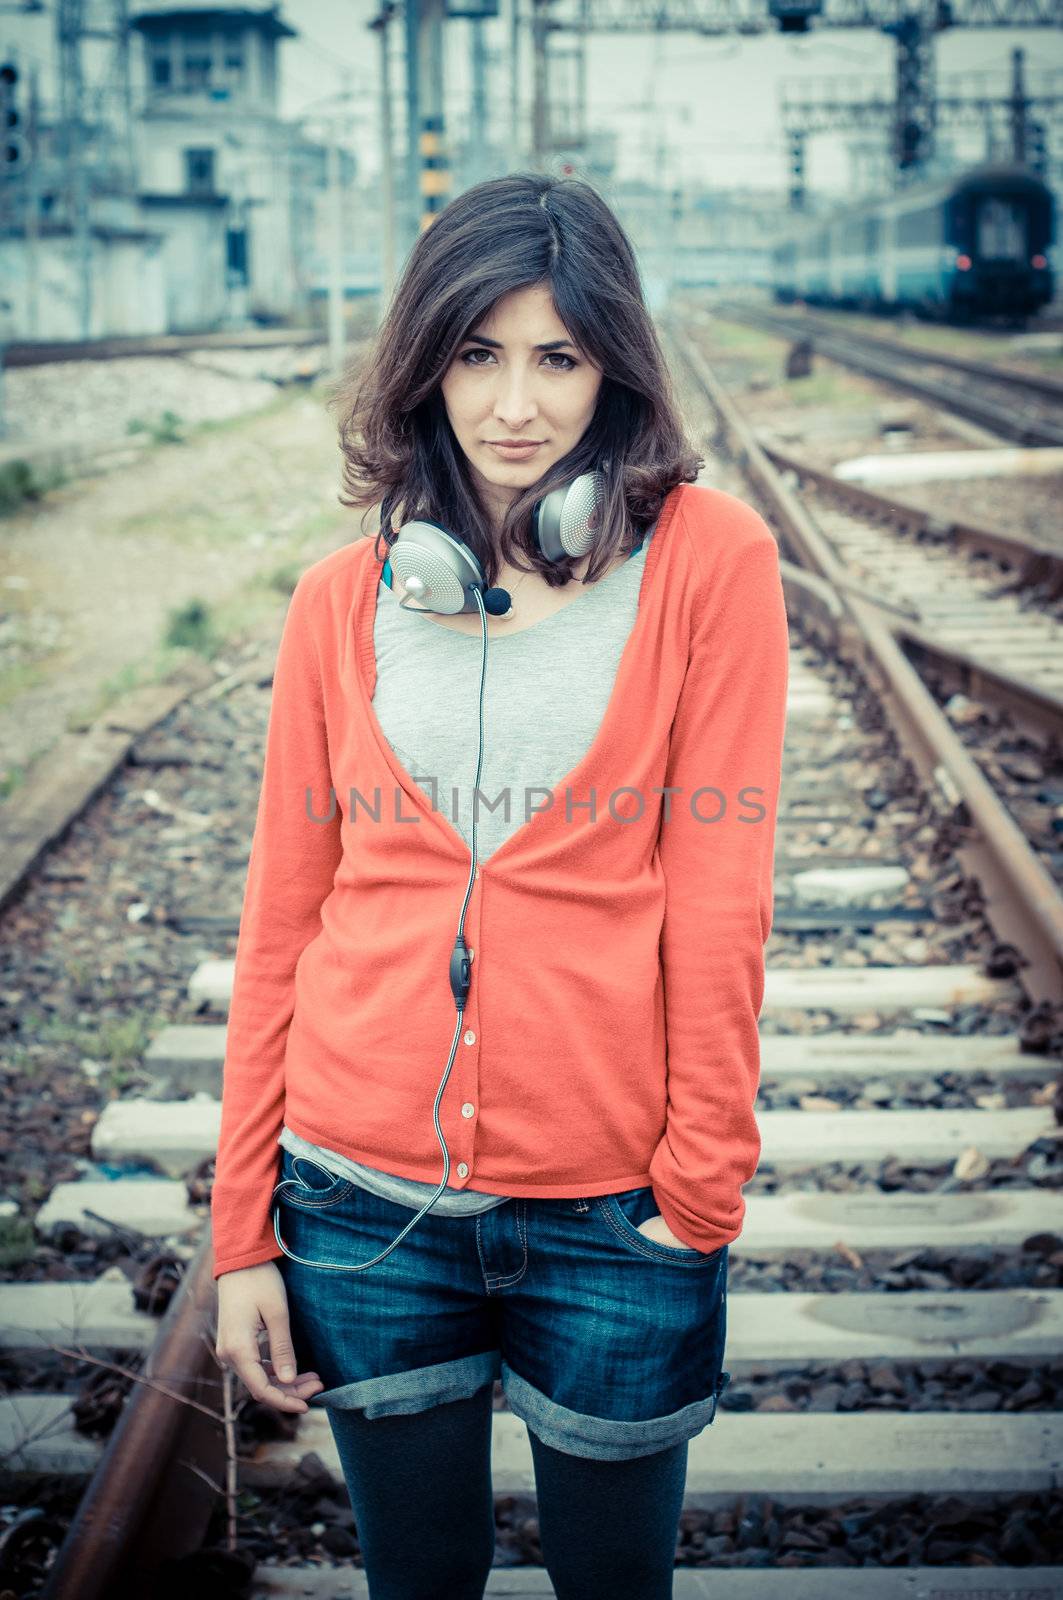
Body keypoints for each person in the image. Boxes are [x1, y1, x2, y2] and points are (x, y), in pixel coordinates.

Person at [212, 172, 790, 1599]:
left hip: (615, 1215)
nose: (515, 403)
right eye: (475, 353)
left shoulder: (711, 566)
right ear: (424, 365)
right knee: (419, 1588)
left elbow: (722, 899)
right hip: (361, 1205)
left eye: (558, 356)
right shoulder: (341, 601)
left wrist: (700, 1188)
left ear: (615, 367)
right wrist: (243, 1235)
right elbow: (283, 920)